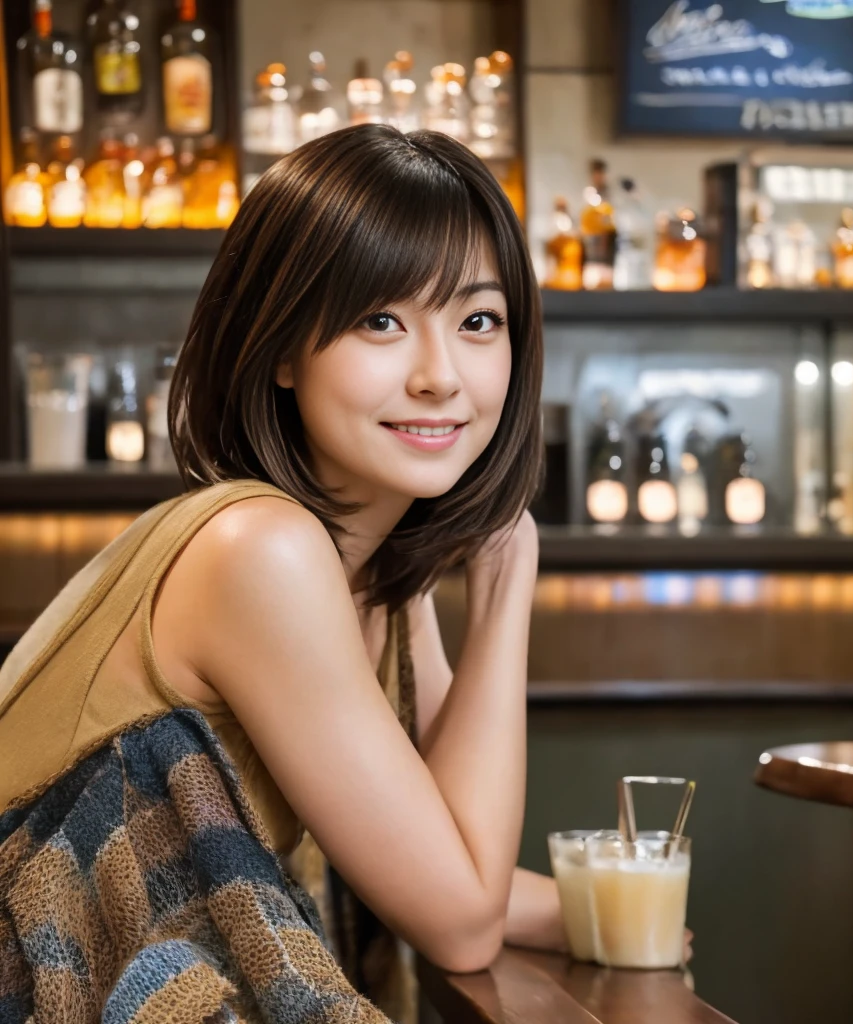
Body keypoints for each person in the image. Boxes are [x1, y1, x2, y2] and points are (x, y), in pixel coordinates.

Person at [0, 126, 687, 1024]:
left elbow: (441, 854)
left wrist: (599, 913)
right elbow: (462, 922)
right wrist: (510, 576)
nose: (442, 376)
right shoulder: (260, 550)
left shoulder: (367, 572)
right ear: (281, 350)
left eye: (478, 321)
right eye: (381, 321)